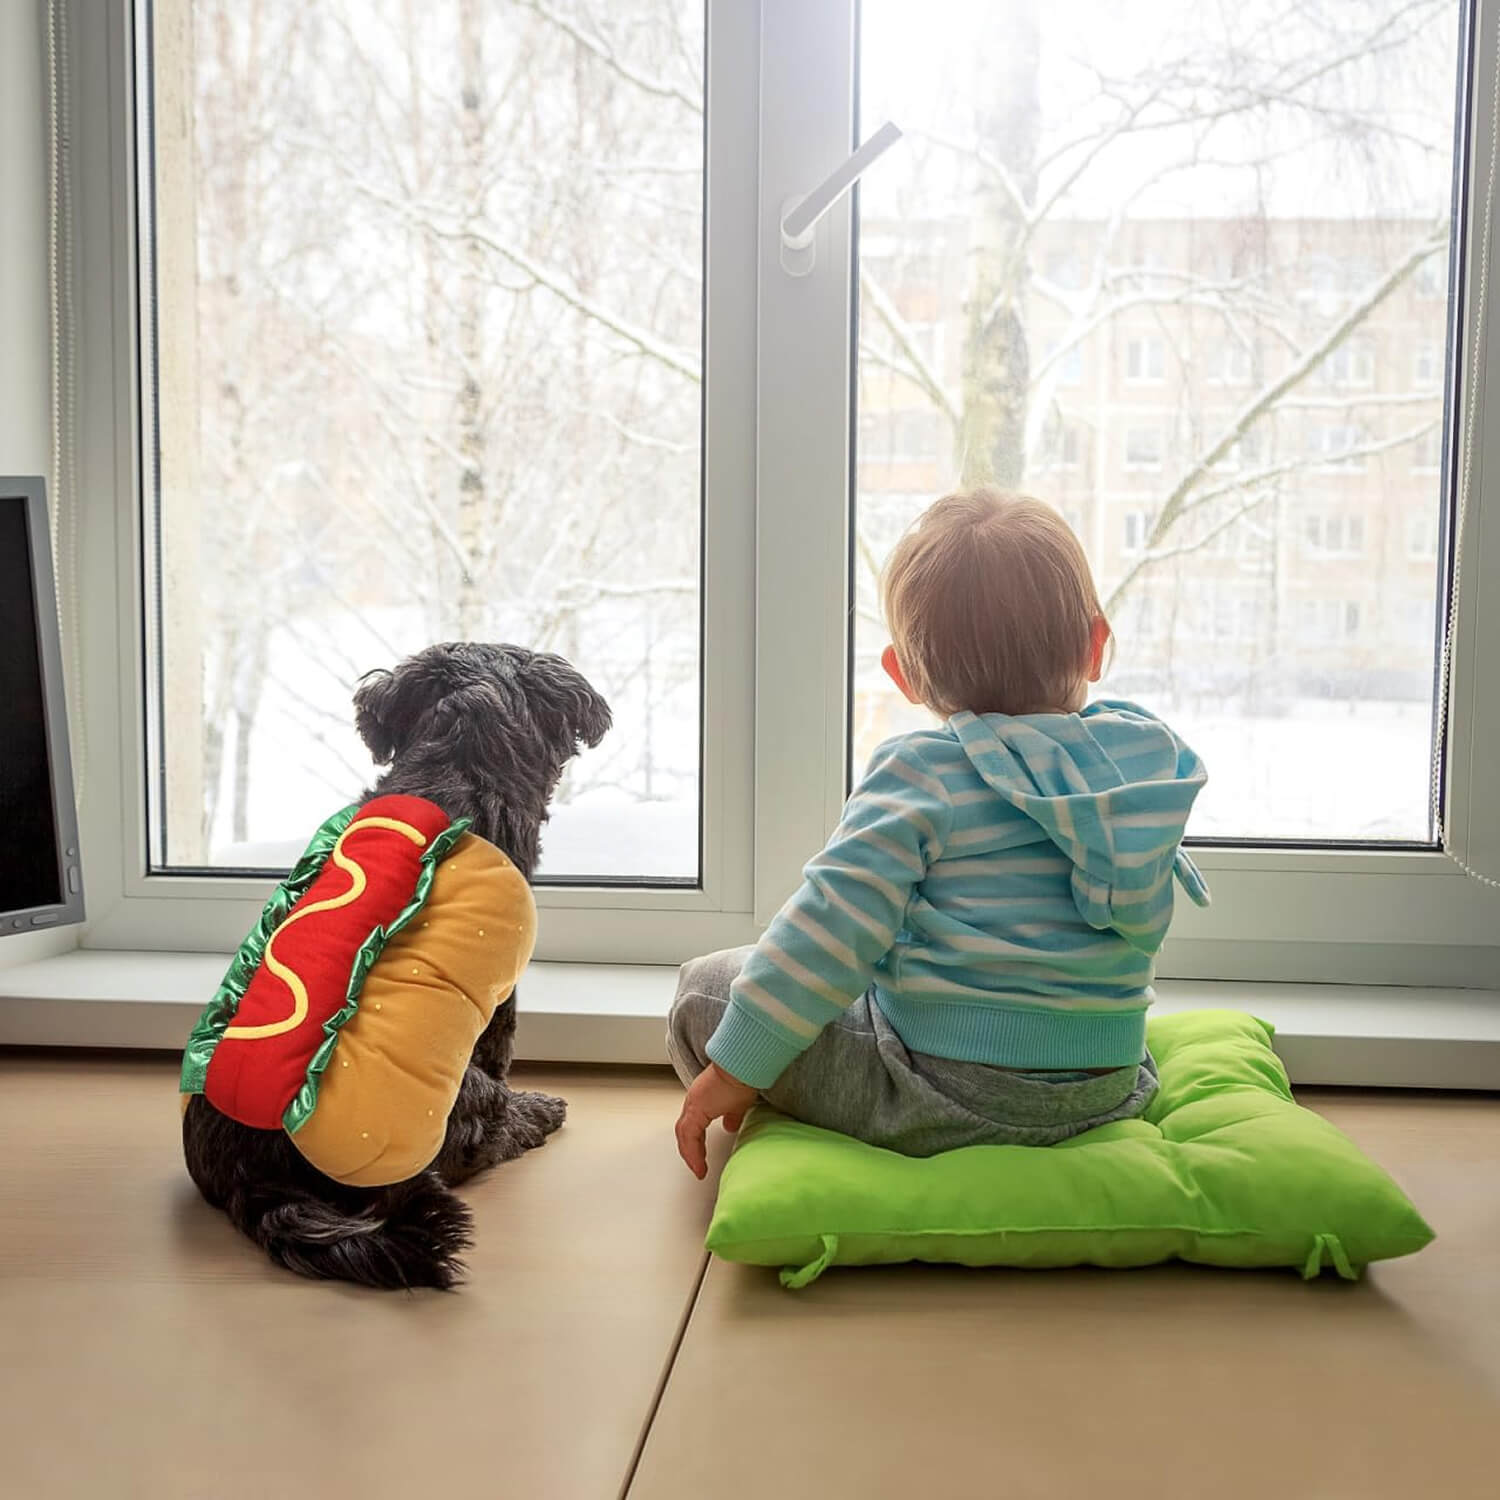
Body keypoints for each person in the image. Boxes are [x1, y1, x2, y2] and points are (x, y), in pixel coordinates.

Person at [669, 486, 1211, 1178]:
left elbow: (829, 929)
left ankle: (762, 1096)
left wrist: (737, 1065)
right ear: (1096, 646)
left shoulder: (923, 771)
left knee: (702, 991)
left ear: (903, 674)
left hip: (938, 1093)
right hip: (1107, 1090)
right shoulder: (1141, 767)